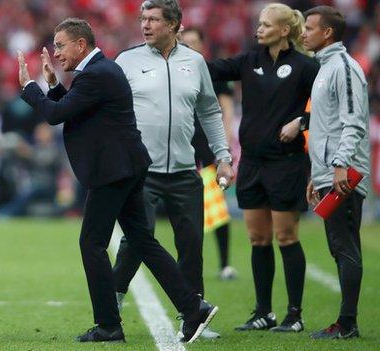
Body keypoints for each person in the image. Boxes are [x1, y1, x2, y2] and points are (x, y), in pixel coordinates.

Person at [18, 17, 218, 344]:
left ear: (81, 44)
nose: (56, 53)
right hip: (126, 166)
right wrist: (54, 86)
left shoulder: (96, 73)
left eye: (60, 45)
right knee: (142, 239)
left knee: (91, 243)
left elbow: (56, 115)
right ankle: (193, 306)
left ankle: (109, 324)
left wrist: (30, 88)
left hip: (114, 171)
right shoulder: (98, 71)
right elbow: (73, 109)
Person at [110, 0, 234, 340]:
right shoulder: (127, 60)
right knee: (136, 240)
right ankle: (112, 308)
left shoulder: (195, 63)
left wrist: (223, 156)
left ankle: (191, 315)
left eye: (153, 19)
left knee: (191, 244)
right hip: (141, 173)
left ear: (174, 24)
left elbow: (210, 111)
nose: (145, 25)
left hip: (184, 171)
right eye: (143, 19)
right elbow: (111, 109)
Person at [207, 2, 320, 333]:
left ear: (285, 30)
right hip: (253, 164)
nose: (259, 29)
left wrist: (302, 121)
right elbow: (210, 70)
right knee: (258, 239)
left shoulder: (304, 66)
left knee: (286, 237)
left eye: (267, 25)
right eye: (259, 23)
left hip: (286, 163)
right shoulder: (248, 61)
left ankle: (295, 315)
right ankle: (263, 312)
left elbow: (331, 105)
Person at [303, 5, 371, 339]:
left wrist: (341, 165)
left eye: (308, 27)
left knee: (345, 246)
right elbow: (326, 128)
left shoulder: (343, 67)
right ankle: (347, 322)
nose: (303, 33)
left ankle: (347, 324)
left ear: (327, 32)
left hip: (344, 173)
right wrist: (317, 174)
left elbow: (353, 122)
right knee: (339, 245)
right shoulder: (327, 67)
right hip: (331, 172)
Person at [181, 26, 238, 281]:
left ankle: (224, 263)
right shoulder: (176, 71)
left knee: (215, 207)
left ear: (203, 45)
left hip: (207, 146)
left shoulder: (213, 74)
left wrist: (224, 148)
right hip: (181, 143)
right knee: (184, 207)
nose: (189, 45)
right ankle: (188, 264)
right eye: (186, 41)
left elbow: (226, 110)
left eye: (194, 41)